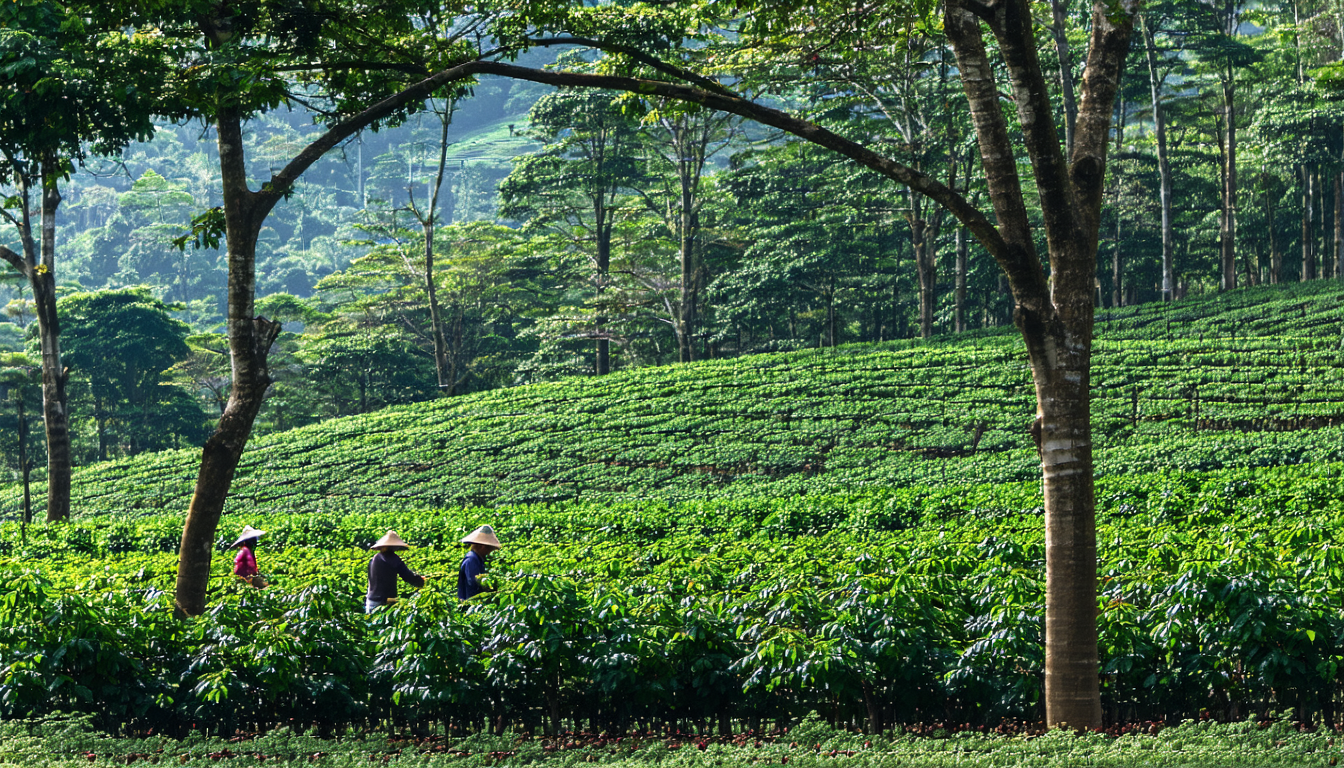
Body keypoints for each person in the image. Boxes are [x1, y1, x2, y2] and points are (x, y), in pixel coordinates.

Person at [365, 530, 425, 613]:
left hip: (371, 600)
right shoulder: (392, 558)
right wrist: (421, 581)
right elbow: (407, 575)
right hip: (384, 602)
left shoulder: (374, 558)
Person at [458, 525, 501, 600]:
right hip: (471, 603)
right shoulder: (471, 560)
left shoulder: (478, 559)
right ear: (482, 547)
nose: (489, 552)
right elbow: (473, 584)